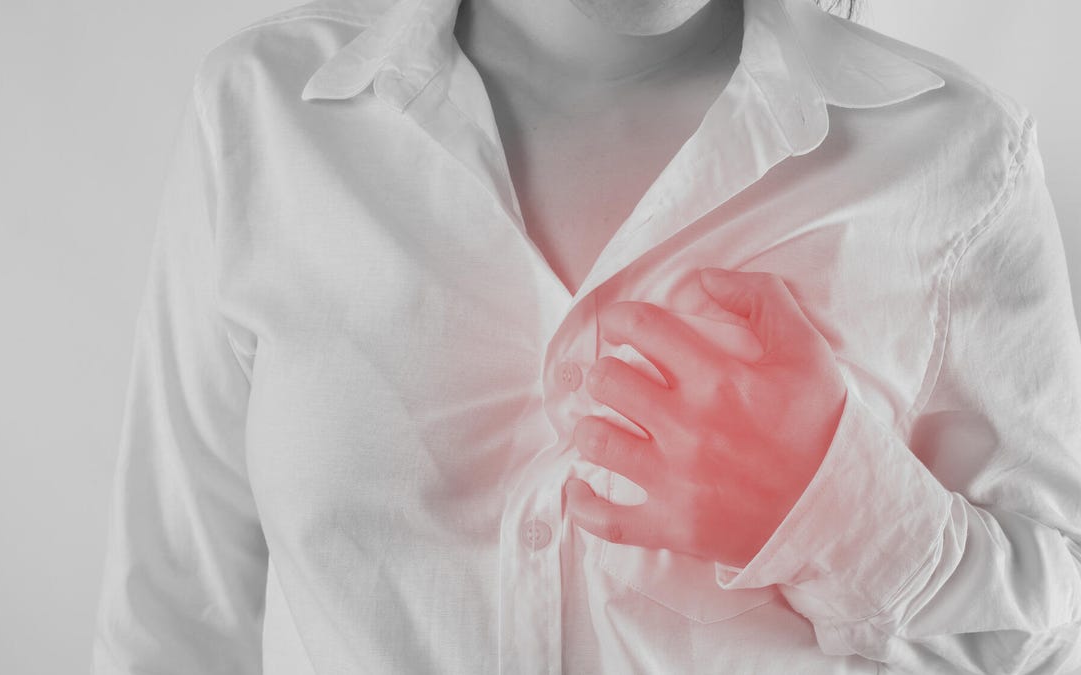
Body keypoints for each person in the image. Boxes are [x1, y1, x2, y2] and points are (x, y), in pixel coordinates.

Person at [90, 0, 1081, 672]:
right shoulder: (261, 118)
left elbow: (1054, 637)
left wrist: (839, 507)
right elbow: (176, 614)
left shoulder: (957, 158)